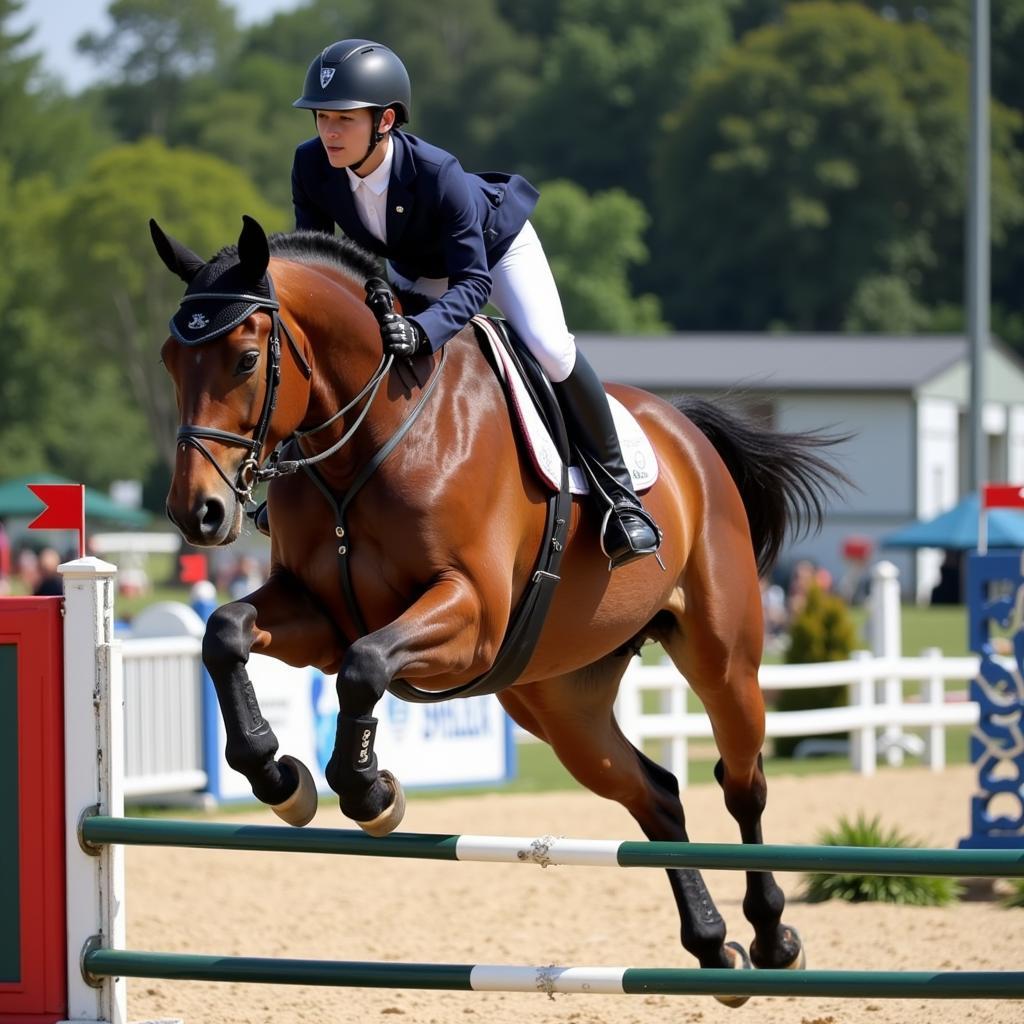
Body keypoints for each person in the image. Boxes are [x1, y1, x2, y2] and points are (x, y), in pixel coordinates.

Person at [289, 39, 660, 570]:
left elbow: (472, 283)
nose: (328, 131)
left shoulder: (437, 173)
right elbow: (322, 264)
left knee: (550, 350)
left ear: (386, 120)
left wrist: (422, 331)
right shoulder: (311, 166)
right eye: (322, 117)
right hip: (412, 265)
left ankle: (620, 498)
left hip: (493, 251)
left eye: (343, 119)